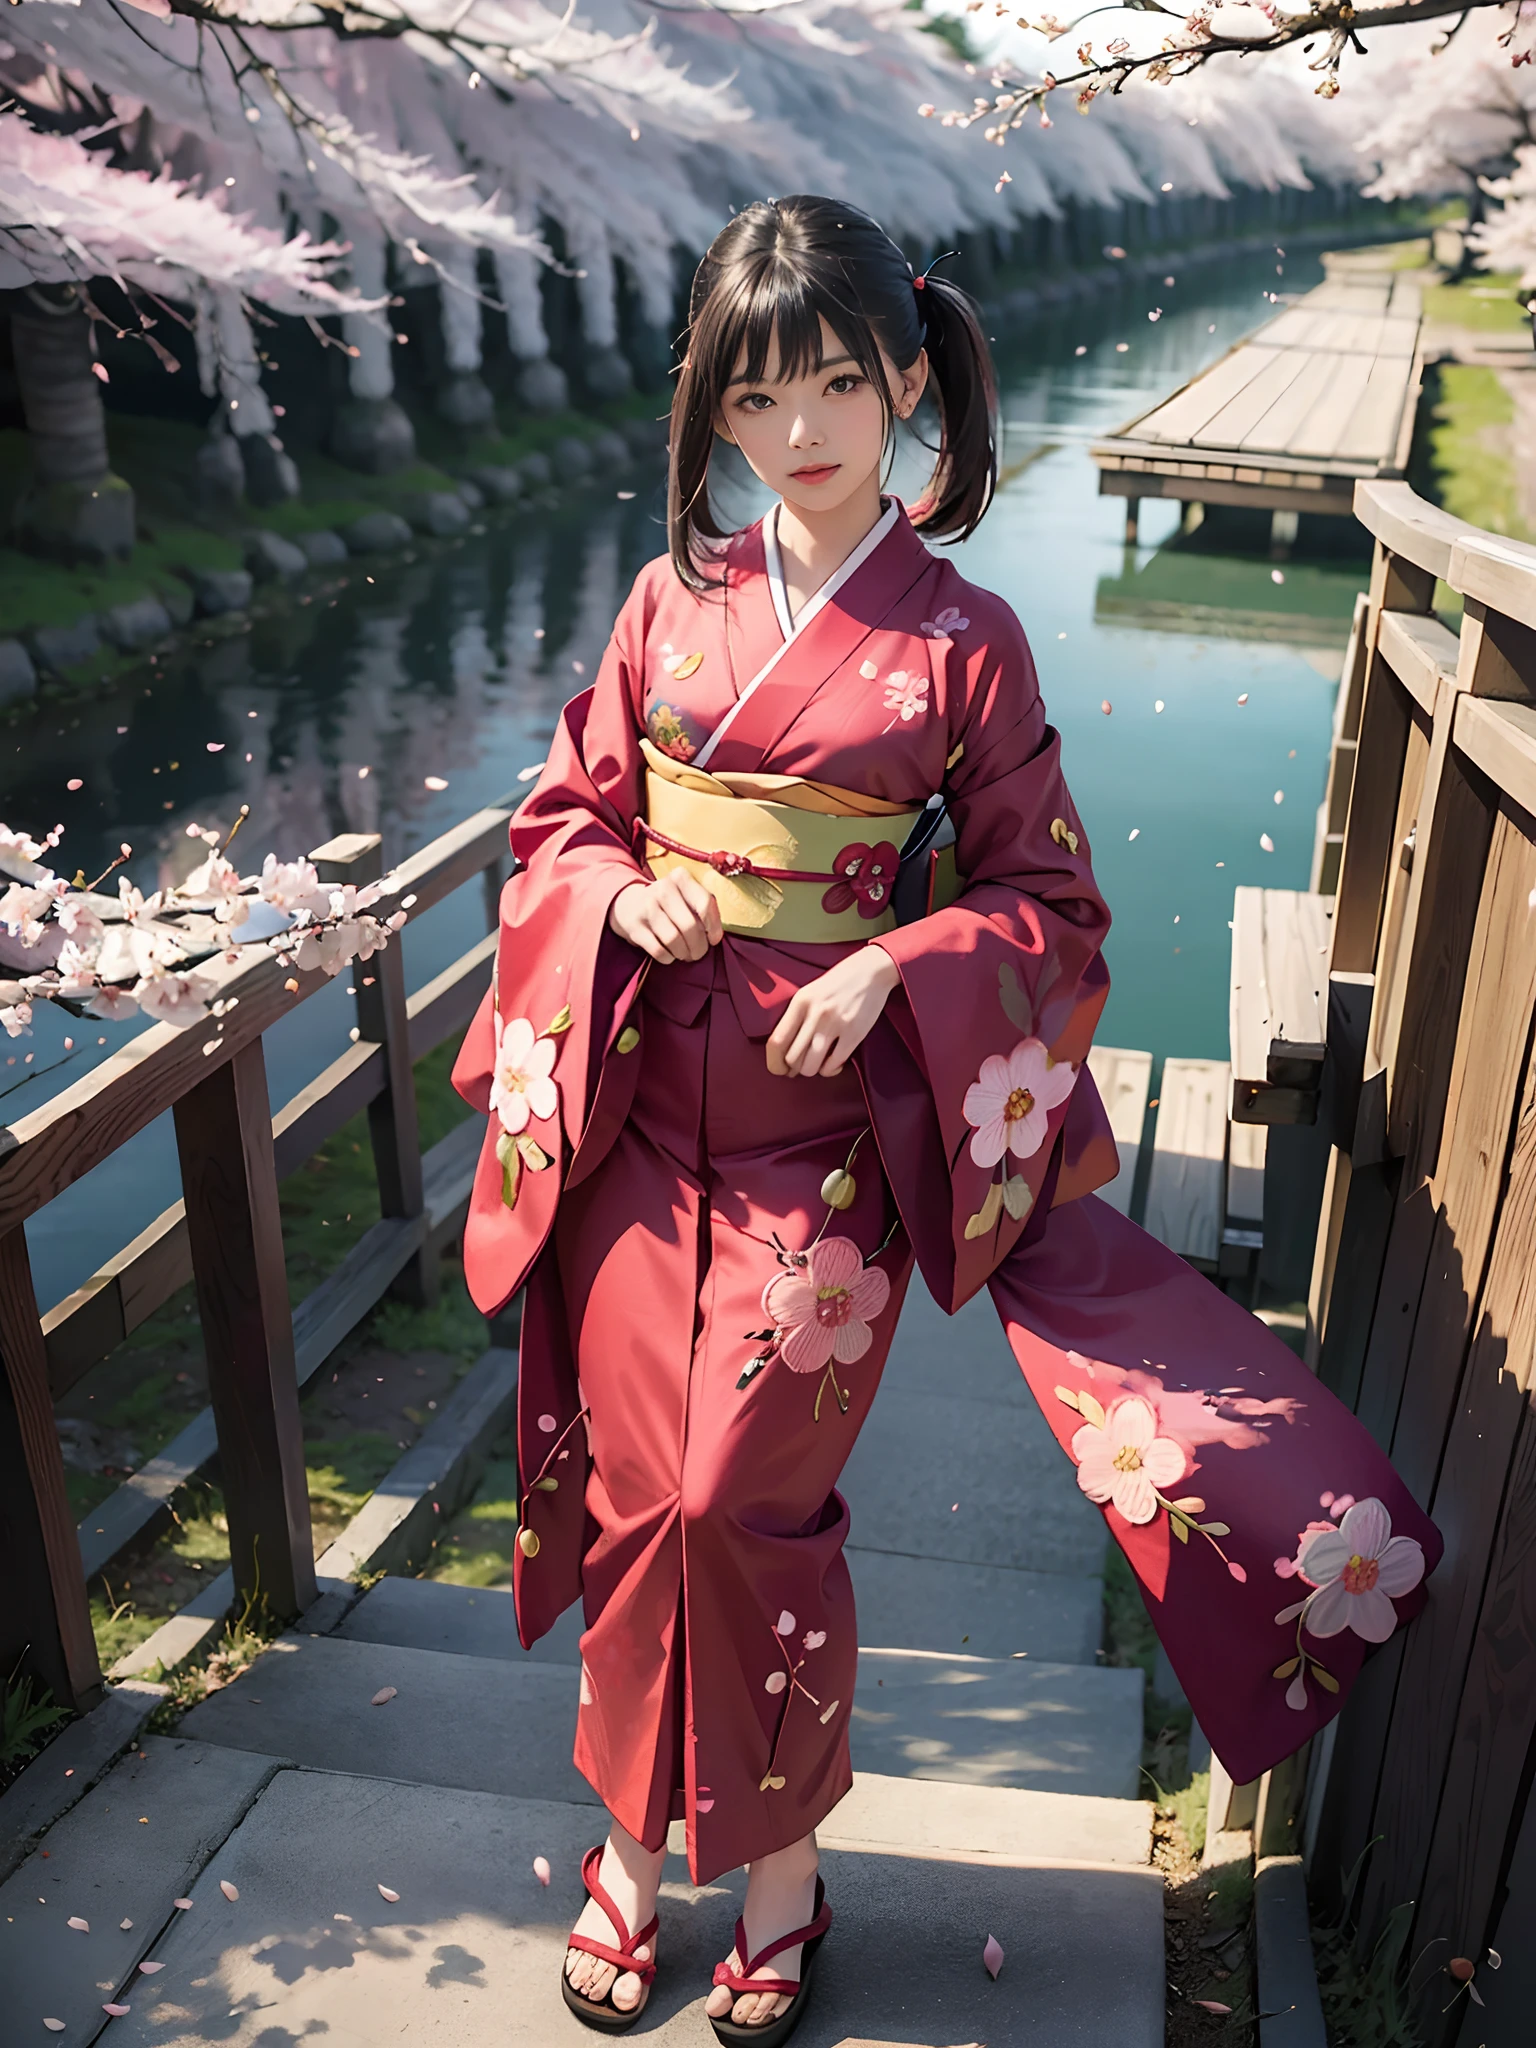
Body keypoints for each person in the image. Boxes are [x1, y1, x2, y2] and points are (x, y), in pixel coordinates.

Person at [452, 196, 1440, 2042]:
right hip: (645, 1124)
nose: (804, 430)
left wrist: (904, 965)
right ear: (714, 415)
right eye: (758, 397)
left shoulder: (967, 641)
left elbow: (1048, 906)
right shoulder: (671, 603)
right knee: (641, 1497)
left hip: (827, 1149)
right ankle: (623, 1841)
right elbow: (560, 823)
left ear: (908, 377)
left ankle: (779, 1869)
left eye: (838, 382)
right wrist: (617, 894)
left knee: (746, 1494)